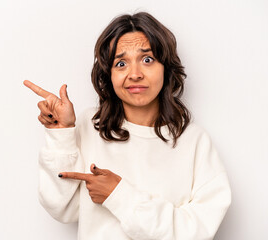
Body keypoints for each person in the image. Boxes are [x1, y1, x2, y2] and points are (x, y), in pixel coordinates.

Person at [23, 11, 231, 240]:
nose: (134, 74)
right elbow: (62, 209)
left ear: (166, 68)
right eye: (121, 63)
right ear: (108, 75)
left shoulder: (194, 141)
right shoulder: (90, 126)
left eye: (147, 60)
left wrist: (119, 195)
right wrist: (61, 134)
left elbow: (197, 232)